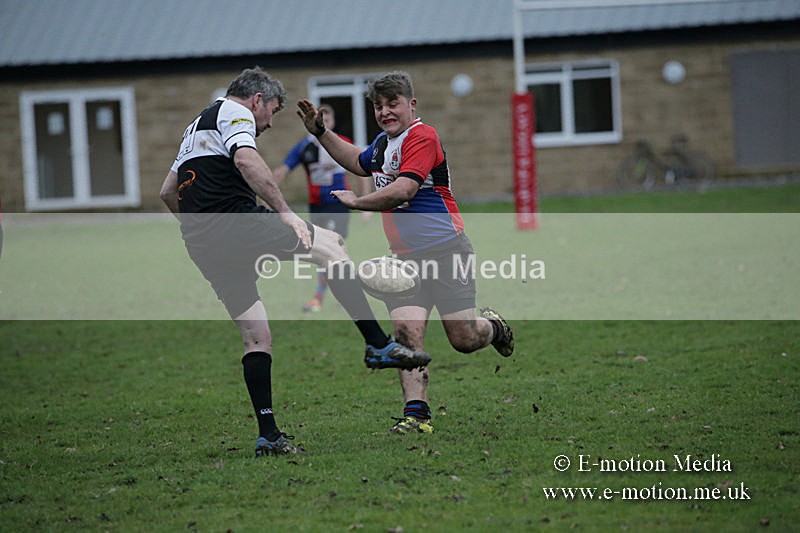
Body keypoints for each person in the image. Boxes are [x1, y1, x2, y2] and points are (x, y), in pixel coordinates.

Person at [159, 67, 430, 457]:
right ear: (257, 100)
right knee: (333, 243)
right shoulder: (235, 113)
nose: (268, 123)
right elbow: (248, 163)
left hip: (201, 242)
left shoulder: (194, 127)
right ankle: (377, 345)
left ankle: (268, 435)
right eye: (271, 112)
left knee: (257, 337)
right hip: (237, 222)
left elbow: (168, 191)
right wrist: (286, 214)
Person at [295, 71, 514, 435]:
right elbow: (356, 159)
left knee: (463, 339)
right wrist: (321, 132)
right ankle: (417, 416)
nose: (385, 112)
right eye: (378, 106)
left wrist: (358, 202)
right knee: (406, 337)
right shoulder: (383, 143)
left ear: (411, 104)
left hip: (447, 253)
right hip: (404, 259)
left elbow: (403, 190)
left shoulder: (422, 137)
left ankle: (493, 328)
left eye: (393, 104)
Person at [272, 104, 370, 313]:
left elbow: (362, 170)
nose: (323, 123)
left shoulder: (343, 144)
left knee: (331, 247)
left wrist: (366, 203)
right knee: (328, 250)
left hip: (338, 205)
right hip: (316, 206)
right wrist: (266, 190)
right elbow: (282, 171)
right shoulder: (304, 147)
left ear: (332, 122)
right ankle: (348, 289)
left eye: (327, 119)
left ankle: (322, 295)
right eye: (319, 119)